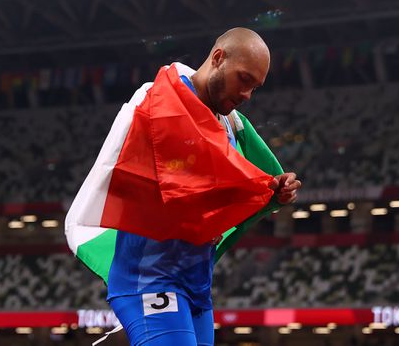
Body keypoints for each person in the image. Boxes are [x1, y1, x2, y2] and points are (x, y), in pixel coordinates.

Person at [102, 28, 301, 346]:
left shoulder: (229, 127)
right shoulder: (163, 104)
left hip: (196, 286)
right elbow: (183, 182)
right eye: (244, 79)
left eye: (255, 87)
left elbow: (223, 190)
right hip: (150, 279)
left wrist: (269, 188)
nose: (247, 95)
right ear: (219, 58)